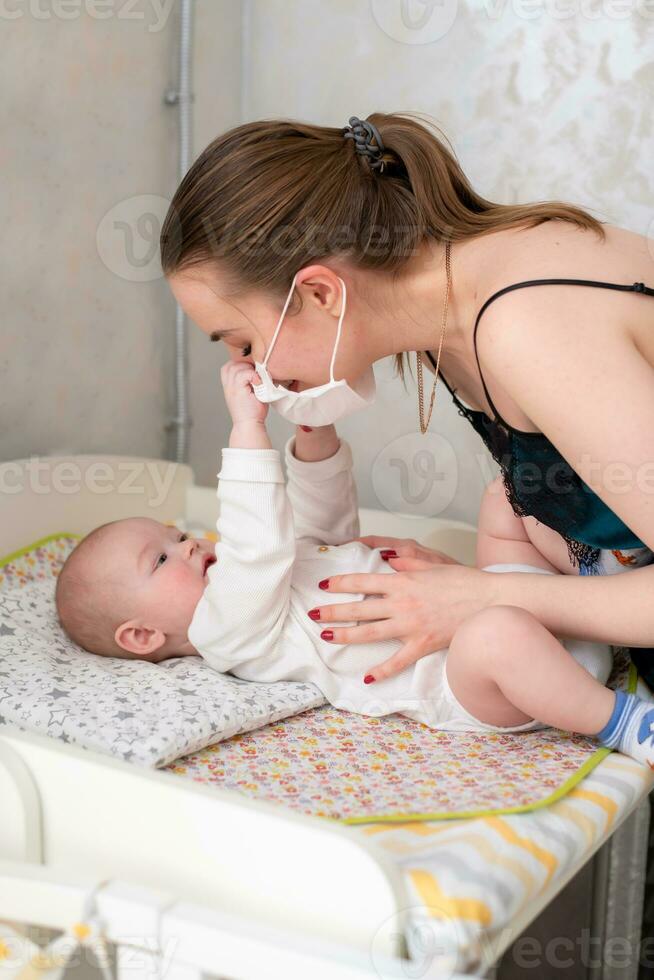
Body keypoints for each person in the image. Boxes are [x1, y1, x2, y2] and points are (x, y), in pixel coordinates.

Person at [159, 111, 654, 690]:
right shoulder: (448, 305)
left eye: (242, 342)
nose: (245, 370)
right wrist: (473, 589)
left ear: (319, 292)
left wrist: (488, 595)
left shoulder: (525, 328)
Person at [55, 360, 654, 764]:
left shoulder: (267, 580)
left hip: (502, 595)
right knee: (497, 632)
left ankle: (593, 581)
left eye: (176, 534)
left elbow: (321, 528)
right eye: (160, 559)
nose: (188, 544)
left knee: (505, 498)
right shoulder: (225, 631)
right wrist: (245, 428)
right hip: (474, 679)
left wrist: (314, 437)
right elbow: (256, 545)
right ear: (141, 635)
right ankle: (622, 723)